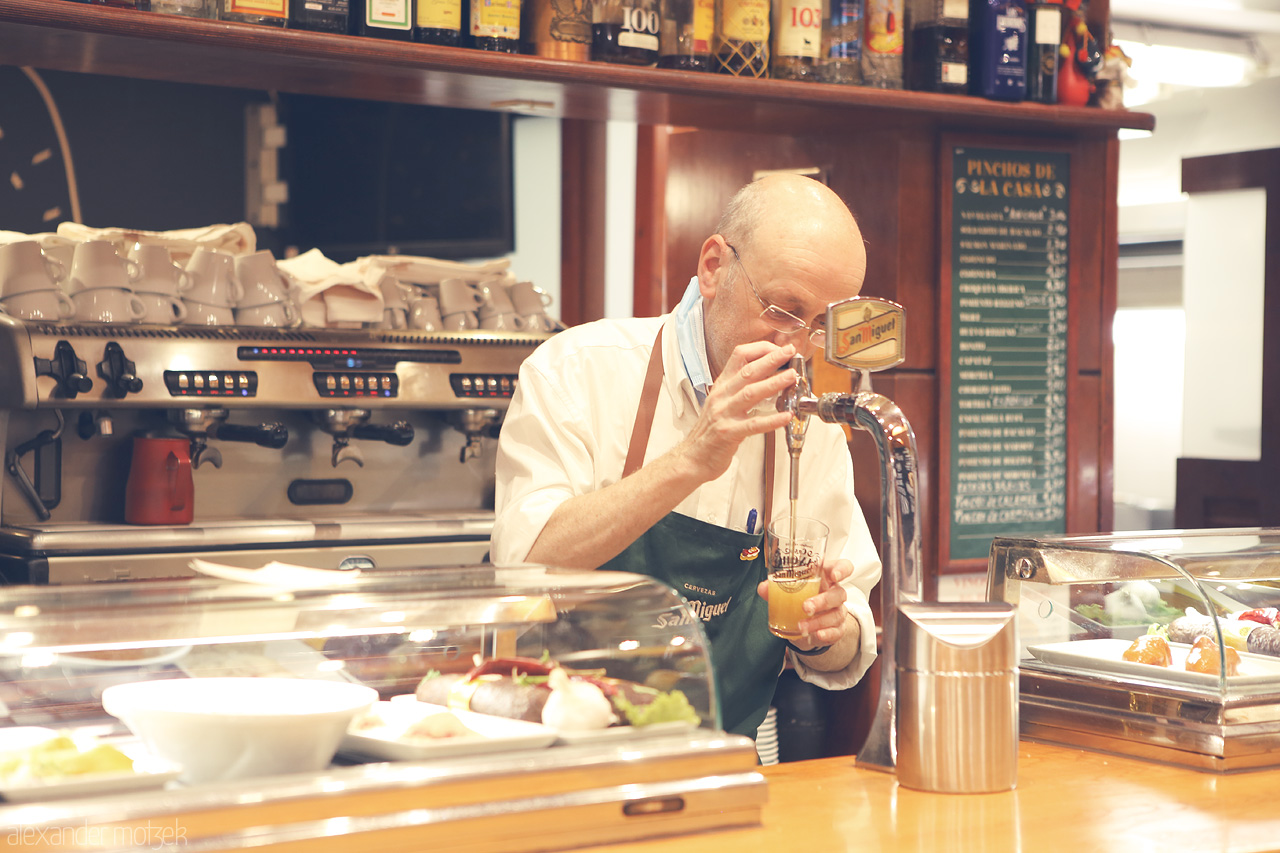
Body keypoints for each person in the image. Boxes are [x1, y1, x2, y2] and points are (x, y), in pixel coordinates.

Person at [491, 174, 882, 739]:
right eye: (782, 309)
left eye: (821, 326)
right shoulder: (578, 371)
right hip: (561, 763)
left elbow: (849, 646)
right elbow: (521, 571)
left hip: (724, 769)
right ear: (713, 268)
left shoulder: (808, 425)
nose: (797, 348)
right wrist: (693, 458)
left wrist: (822, 629)